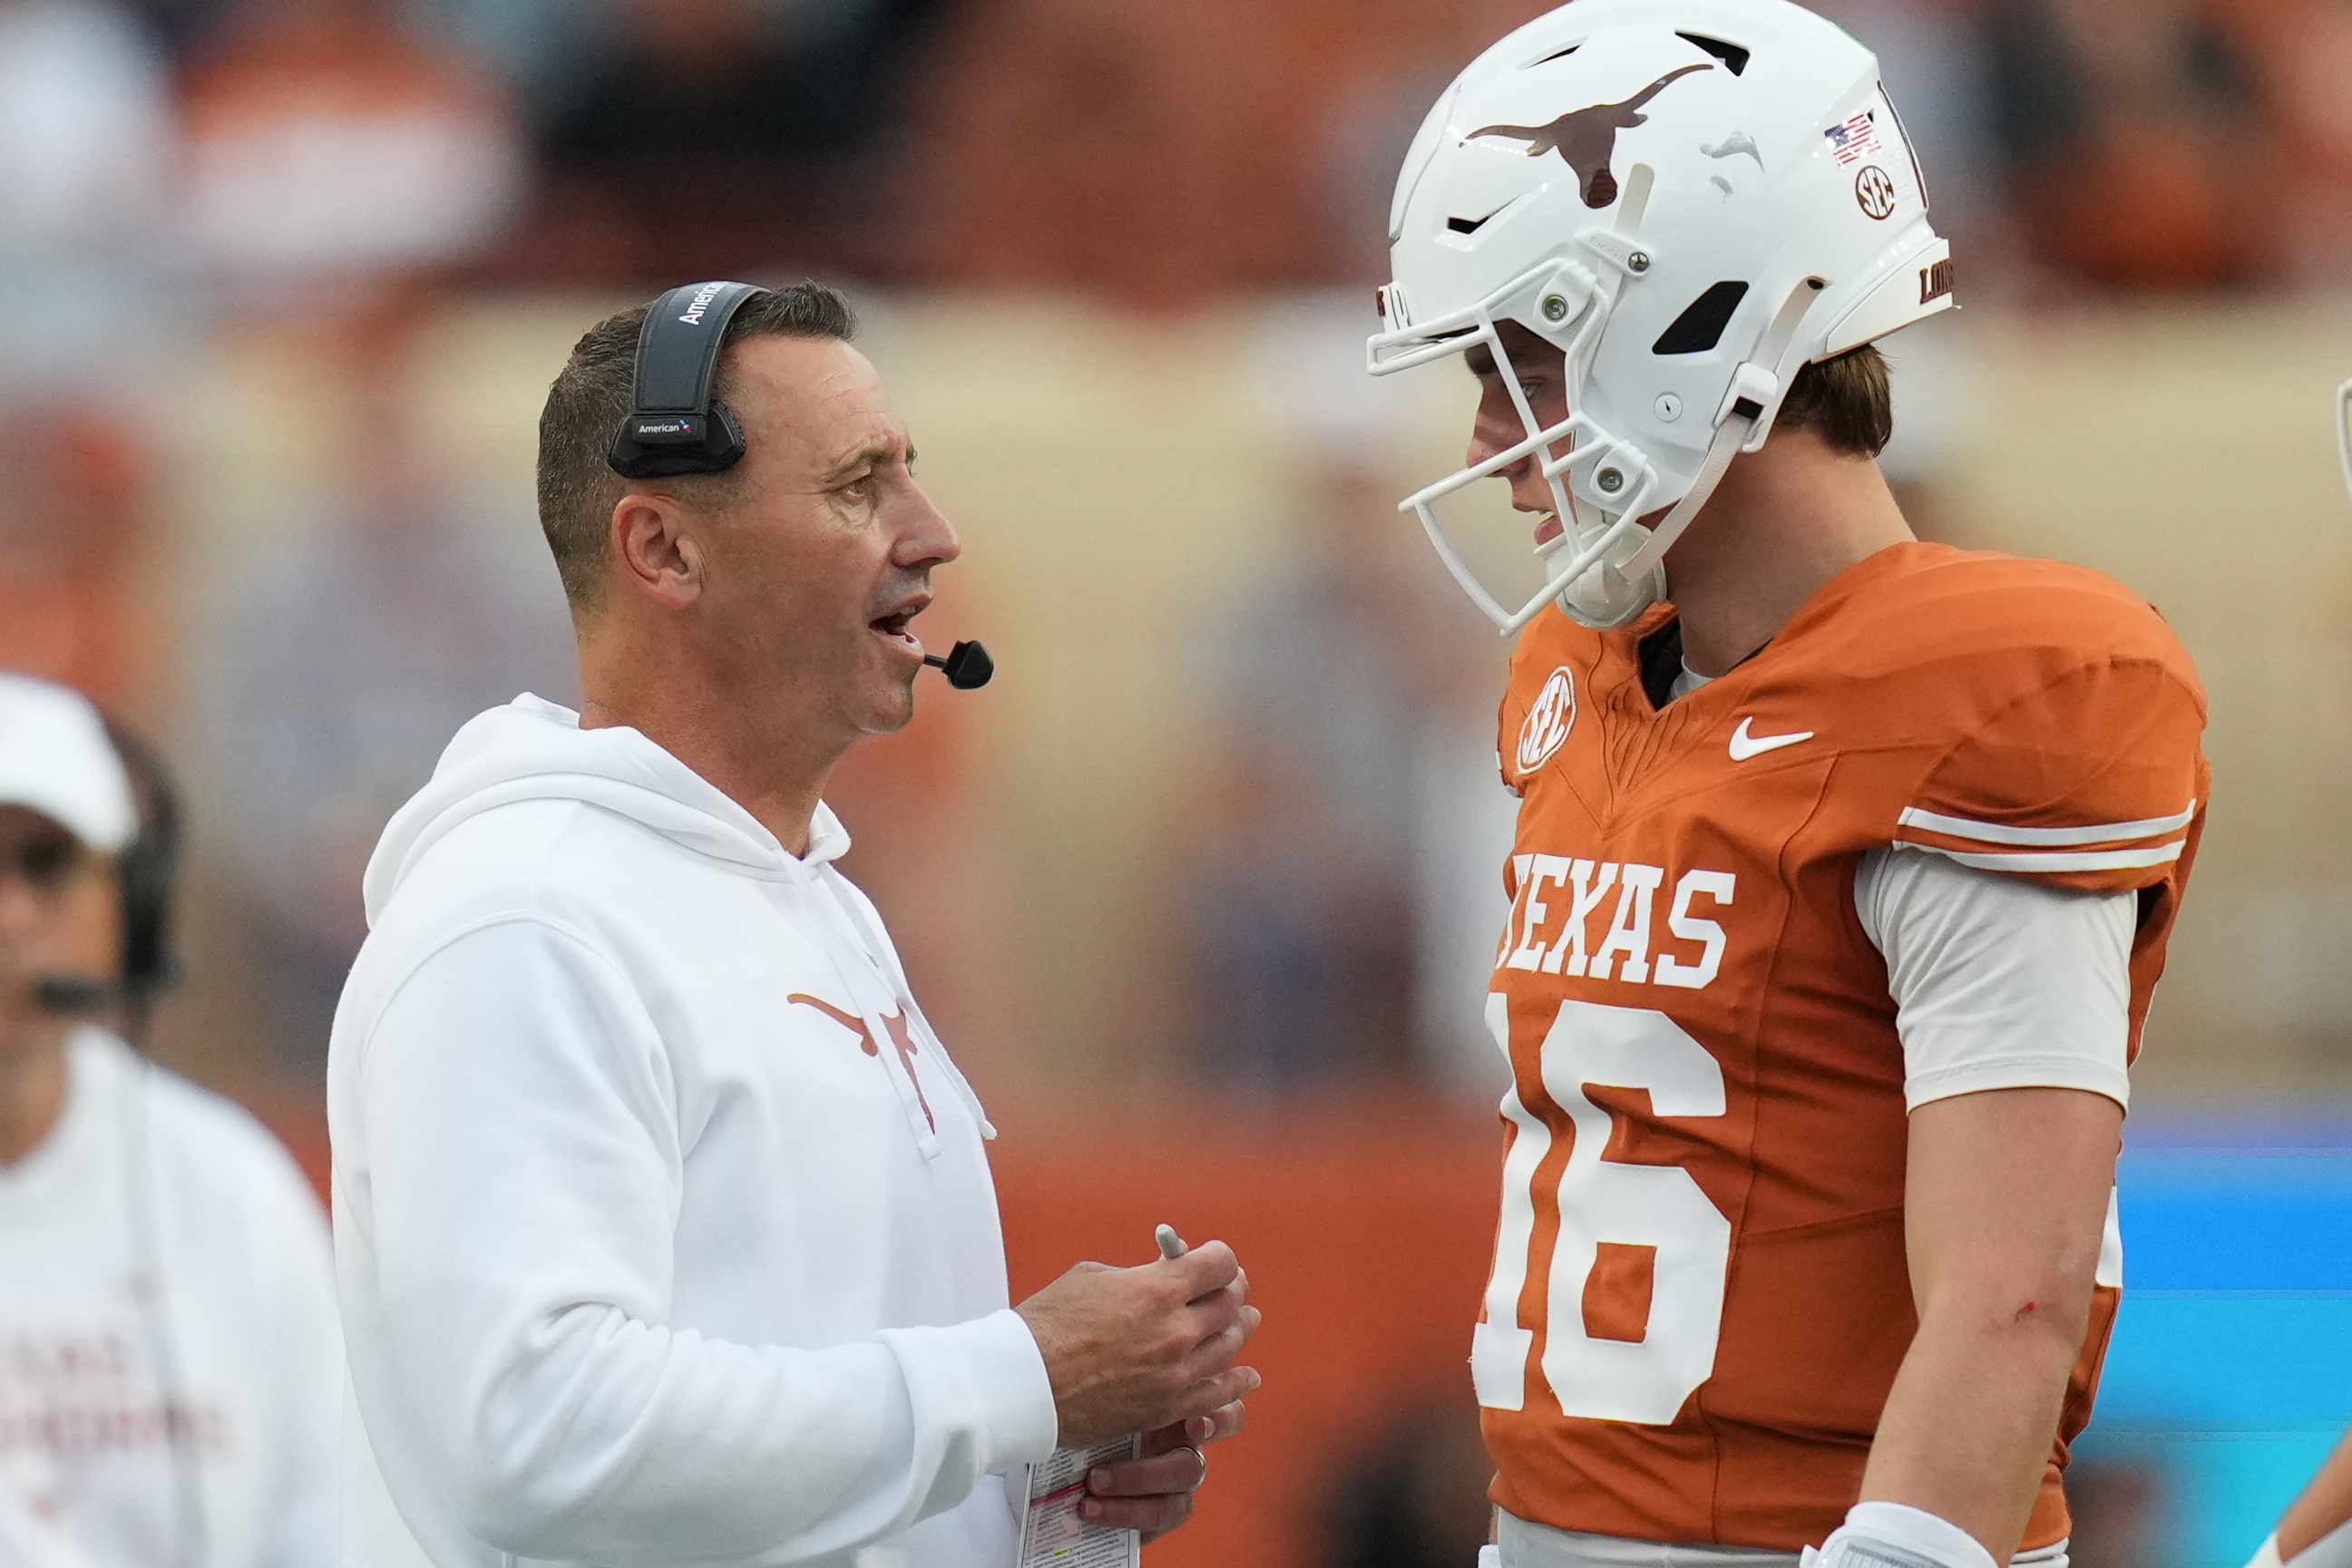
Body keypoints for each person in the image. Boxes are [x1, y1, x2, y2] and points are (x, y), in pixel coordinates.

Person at [1364, 4, 2209, 1566]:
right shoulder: (1578, 669)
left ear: (1694, 325)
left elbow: (2005, 1290)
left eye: (1524, 358)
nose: (1488, 437)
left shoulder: (1989, 681)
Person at [328, 281, 1259, 1568]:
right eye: (856, 486)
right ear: (663, 551)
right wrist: (1022, 1378)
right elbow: (534, 1436)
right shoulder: (523, 918)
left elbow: (800, 1388)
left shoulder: (811, 905)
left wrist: (1038, 1483)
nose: (933, 536)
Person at [0, 673, 340, 1567]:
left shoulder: (230, 1187)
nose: (10, 915)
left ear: (132, 905)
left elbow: (336, 1519)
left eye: (46, 863)